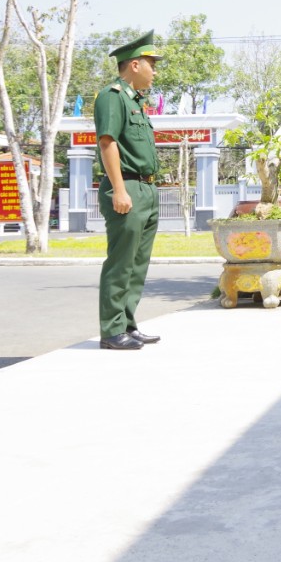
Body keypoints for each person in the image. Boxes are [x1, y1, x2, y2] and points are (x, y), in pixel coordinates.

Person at [95, 31, 164, 350]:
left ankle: (127, 324)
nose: (155, 70)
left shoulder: (136, 101)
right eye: (152, 64)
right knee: (121, 261)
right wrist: (120, 190)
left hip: (147, 189)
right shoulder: (112, 96)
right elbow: (107, 142)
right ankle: (111, 331)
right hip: (127, 187)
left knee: (138, 263)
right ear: (134, 65)